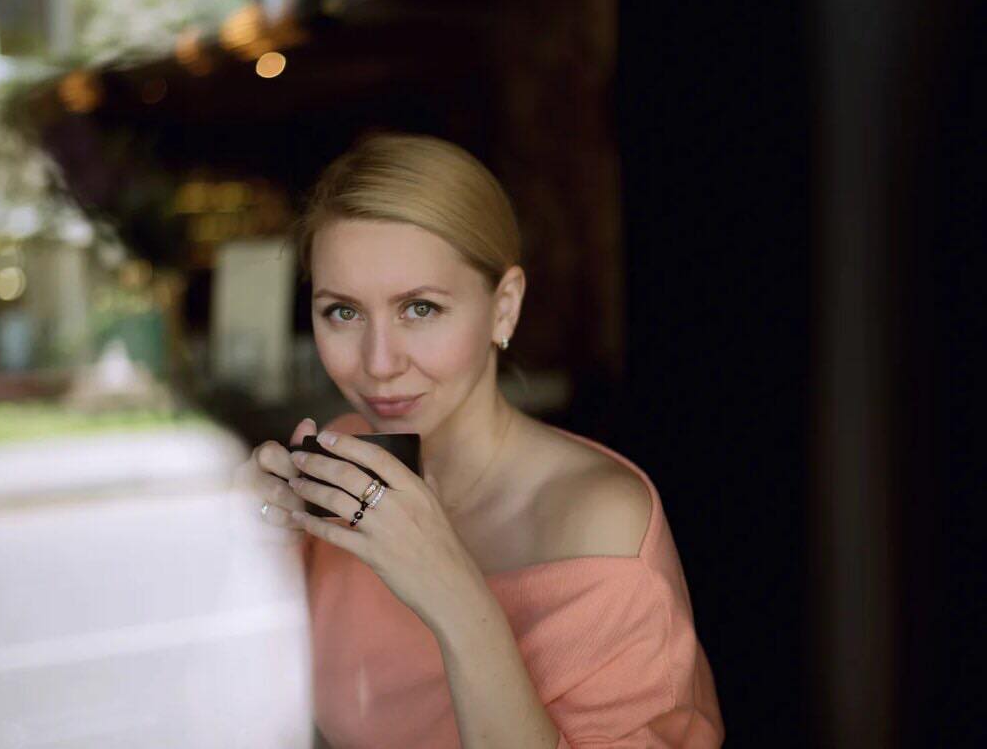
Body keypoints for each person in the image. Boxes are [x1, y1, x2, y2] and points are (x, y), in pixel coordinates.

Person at [242, 133, 723, 747]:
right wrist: (251, 551)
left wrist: (454, 597)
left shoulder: (602, 524)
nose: (379, 363)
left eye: (420, 308)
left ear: (504, 307)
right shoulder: (344, 457)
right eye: (343, 312)